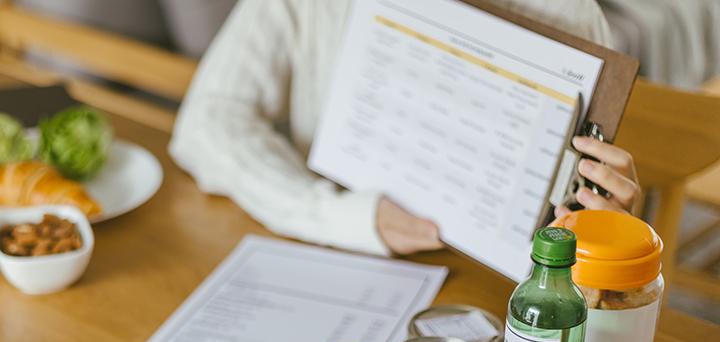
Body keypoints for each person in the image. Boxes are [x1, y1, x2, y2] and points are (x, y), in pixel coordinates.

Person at [169, 0, 641, 256]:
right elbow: (207, 121)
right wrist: (338, 217)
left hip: (495, 303)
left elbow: (578, 226)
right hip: (332, 254)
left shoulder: (570, 15)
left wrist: (606, 232)